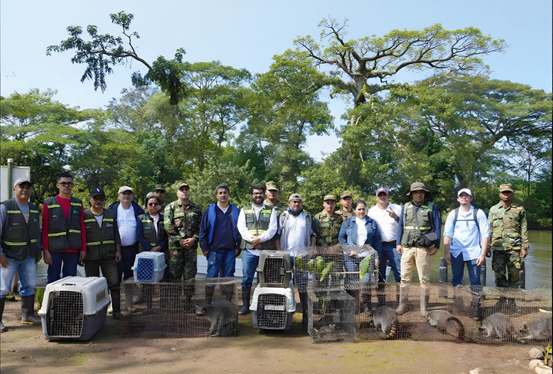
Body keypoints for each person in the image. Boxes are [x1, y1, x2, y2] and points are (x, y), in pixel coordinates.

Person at [0, 178, 42, 332]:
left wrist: (38, 250)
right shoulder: (5, 207)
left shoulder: (33, 208)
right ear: (14, 189)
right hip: (9, 256)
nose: (24, 190)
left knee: (29, 286)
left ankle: (28, 315)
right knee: (3, 289)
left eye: (27, 187)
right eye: (21, 187)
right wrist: (0, 254)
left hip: (29, 256)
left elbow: (37, 232)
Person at [396, 182, 441, 316]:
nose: (419, 194)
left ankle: (423, 308)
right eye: (416, 192)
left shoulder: (431, 208)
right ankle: (402, 305)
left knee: (424, 279)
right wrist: (398, 243)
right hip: (407, 248)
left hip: (423, 249)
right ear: (412, 194)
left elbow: (438, 229)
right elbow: (400, 226)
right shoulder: (405, 208)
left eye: (421, 192)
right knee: (404, 278)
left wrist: (437, 246)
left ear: (424, 194)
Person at [275, 193, 316, 327]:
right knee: (284, 285)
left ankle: (304, 312)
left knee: (302, 285)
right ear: (289, 203)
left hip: (302, 256)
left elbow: (313, 234)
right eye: (294, 202)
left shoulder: (308, 217)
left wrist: (311, 249)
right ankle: (284, 312)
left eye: (299, 202)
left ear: (301, 204)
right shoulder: (283, 216)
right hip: (286, 256)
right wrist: (280, 252)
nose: (296, 204)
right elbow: (277, 235)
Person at [236, 184, 278, 315]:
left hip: (265, 252)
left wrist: (260, 240)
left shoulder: (271, 211)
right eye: (255, 193)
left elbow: (272, 229)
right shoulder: (244, 210)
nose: (258, 195)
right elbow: (241, 228)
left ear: (264, 194)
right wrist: (253, 240)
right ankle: (245, 305)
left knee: (265, 279)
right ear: (251, 195)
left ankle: (263, 305)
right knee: (247, 279)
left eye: (260, 193)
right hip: (249, 250)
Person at [83, 187, 123, 319]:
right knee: (92, 286)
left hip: (109, 255)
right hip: (91, 256)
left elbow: (116, 234)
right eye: (95, 198)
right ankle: (94, 312)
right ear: (90, 199)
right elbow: (81, 236)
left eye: (101, 198)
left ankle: (116, 311)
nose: (98, 201)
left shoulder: (110, 214)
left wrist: (118, 251)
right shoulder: (84, 215)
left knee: (114, 283)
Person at [338, 199, 382, 313]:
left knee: (366, 282)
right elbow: (341, 238)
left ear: (366, 209)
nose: (361, 211)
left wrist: (378, 257)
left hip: (367, 256)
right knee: (352, 283)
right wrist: (349, 250)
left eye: (363, 209)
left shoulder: (372, 223)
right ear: (354, 210)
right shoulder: (348, 222)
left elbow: (377, 241)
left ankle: (366, 306)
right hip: (351, 257)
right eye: (359, 209)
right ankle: (354, 306)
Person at [42, 172, 86, 284]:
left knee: (71, 281)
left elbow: (82, 227)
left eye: (69, 183)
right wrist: (45, 250)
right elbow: (45, 229)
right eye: (63, 183)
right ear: (57, 185)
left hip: (73, 248)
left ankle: (68, 302)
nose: (66, 186)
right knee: (53, 279)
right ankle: (53, 301)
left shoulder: (78, 203)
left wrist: (83, 248)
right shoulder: (49, 204)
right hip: (54, 249)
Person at [199, 184, 240, 303]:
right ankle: (208, 303)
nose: (223, 195)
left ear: (229, 194)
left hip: (230, 250)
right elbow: (203, 230)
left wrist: (238, 247)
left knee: (229, 277)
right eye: (220, 193)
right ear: (216, 195)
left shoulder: (235, 210)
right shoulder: (210, 211)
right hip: (214, 250)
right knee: (211, 277)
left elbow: (241, 230)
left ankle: (227, 302)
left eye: (225, 192)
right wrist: (204, 247)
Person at [163, 182, 202, 306]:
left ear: (189, 192)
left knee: (190, 276)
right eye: (182, 190)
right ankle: (174, 302)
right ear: (177, 193)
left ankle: (188, 302)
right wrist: (178, 239)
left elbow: (201, 227)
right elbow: (168, 225)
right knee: (174, 275)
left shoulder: (196, 208)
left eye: (186, 189)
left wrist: (194, 239)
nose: (184, 192)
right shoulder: (171, 207)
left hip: (191, 248)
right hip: (175, 249)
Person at [443, 188, 490, 287]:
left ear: (471, 198)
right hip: (456, 252)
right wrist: (446, 253)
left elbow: (485, 235)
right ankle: (457, 302)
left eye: (466, 195)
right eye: (461, 195)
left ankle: (476, 302)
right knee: (456, 280)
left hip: (474, 253)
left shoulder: (479, 213)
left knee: (475, 281)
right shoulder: (453, 214)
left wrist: (482, 254)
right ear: (458, 199)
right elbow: (447, 234)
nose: (464, 197)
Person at [488, 183, 528, 289]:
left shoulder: (519, 209)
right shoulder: (493, 210)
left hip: (514, 248)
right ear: (500, 194)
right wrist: (487, 247)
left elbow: (524, 229)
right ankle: (501, 301)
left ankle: (512, 302)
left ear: (512, 194)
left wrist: (524, 247)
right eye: (504, 192)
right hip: (498, 248)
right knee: (499, 276)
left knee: (514, 277)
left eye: (508, 192)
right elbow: (489, 229)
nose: (506, 194)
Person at [108, 186, 144, 283]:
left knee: (130, 276)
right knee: (115, 275)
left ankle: (129, 297)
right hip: (116, 249)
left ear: (132, 196)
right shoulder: (111, 210)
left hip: (133, 249)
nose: (126, 195)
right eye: (124, 193)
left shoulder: (138, 210)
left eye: (129, 193)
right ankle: (115, 296)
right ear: (119, 196)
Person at [368, 187, 402, 283]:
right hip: (378, 247)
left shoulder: (397, 208)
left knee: (399, 272)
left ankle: (400, 297)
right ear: (376, 197)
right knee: (379, 274)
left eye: (384, 194)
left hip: (394, 245)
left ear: (388, 196)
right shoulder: (371, 211)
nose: (382, 197)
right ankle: (381, 297)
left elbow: (404, 225)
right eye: (380, 195)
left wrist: (396, 217)